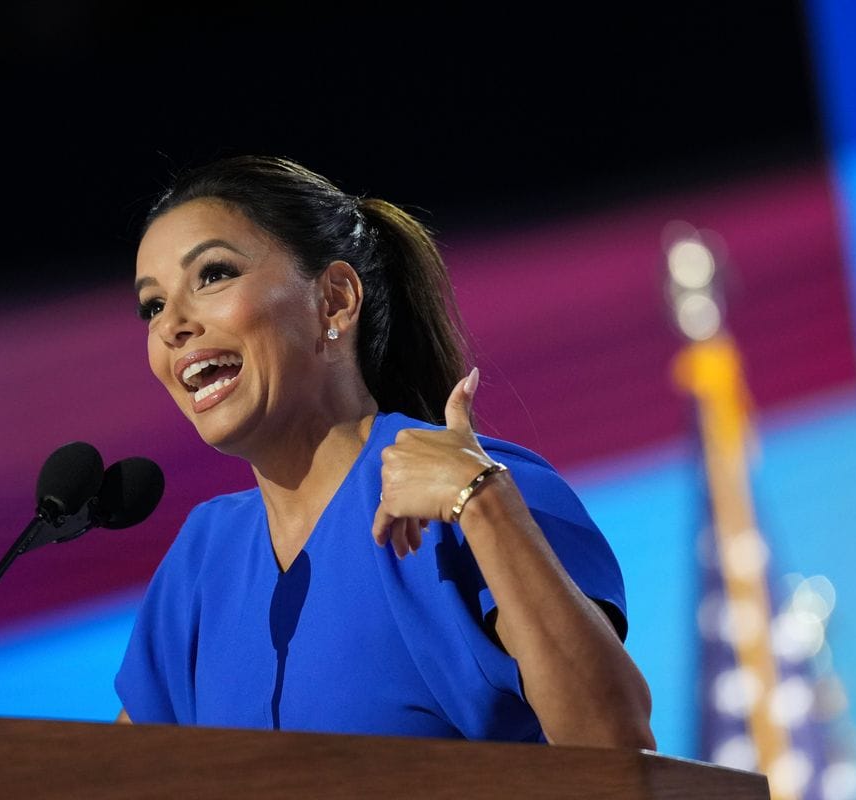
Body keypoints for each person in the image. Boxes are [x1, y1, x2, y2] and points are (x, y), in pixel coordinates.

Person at [114, 155, 655, 748]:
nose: (172, 325)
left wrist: (484, 502)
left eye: (213, 275)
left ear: (336, 300)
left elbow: (615, 746)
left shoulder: (485, 491)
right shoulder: (202, 558)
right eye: (153, 306)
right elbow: (111, 778)